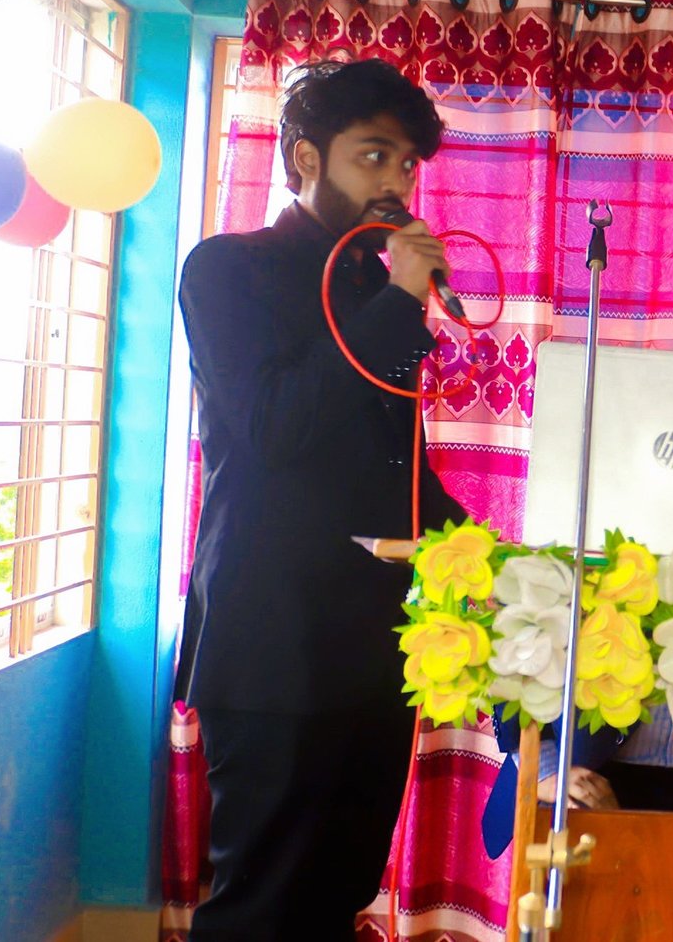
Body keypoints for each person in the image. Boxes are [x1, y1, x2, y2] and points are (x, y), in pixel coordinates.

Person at [176, 58, 467, 941]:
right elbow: (277, 427)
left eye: (408, 164)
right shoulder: (229, 268)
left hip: (374, 643)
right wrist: (401, 301)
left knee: (339, 892)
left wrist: (489, 554)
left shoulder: (374, 289)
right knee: (260, 906)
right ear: (306, 158)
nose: (396, 182)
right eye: (373, 156)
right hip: (271, 642)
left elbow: (395, 464)